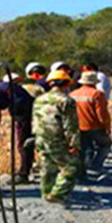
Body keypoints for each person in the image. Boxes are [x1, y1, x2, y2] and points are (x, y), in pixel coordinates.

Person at [32, 69, 81, 205]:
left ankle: (46, 192)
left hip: (41, 137)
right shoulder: (66, 101)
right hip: (57, 139)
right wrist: (74, 144)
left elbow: (35, 120)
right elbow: (71, 125)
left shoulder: (39, 99)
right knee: (71, 166)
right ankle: (57, 194)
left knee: (47, 166)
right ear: (65, 84)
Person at [70, 71, 112, 176]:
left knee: (84, 148)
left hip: (78, 126)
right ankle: (96, 166)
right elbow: (101, 113)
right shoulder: (97, 94)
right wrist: (106, 126)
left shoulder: (72, 94)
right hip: (94, 126)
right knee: (106, 144)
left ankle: (83, 170)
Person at [0, 72, 35, 183]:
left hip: (23, 121)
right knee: (24, 145)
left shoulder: (19, 95)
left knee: (23, 146)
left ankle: (23, 174)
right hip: (23, 120)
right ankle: (24, 171)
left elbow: (5, 105)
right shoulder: (20, 92)